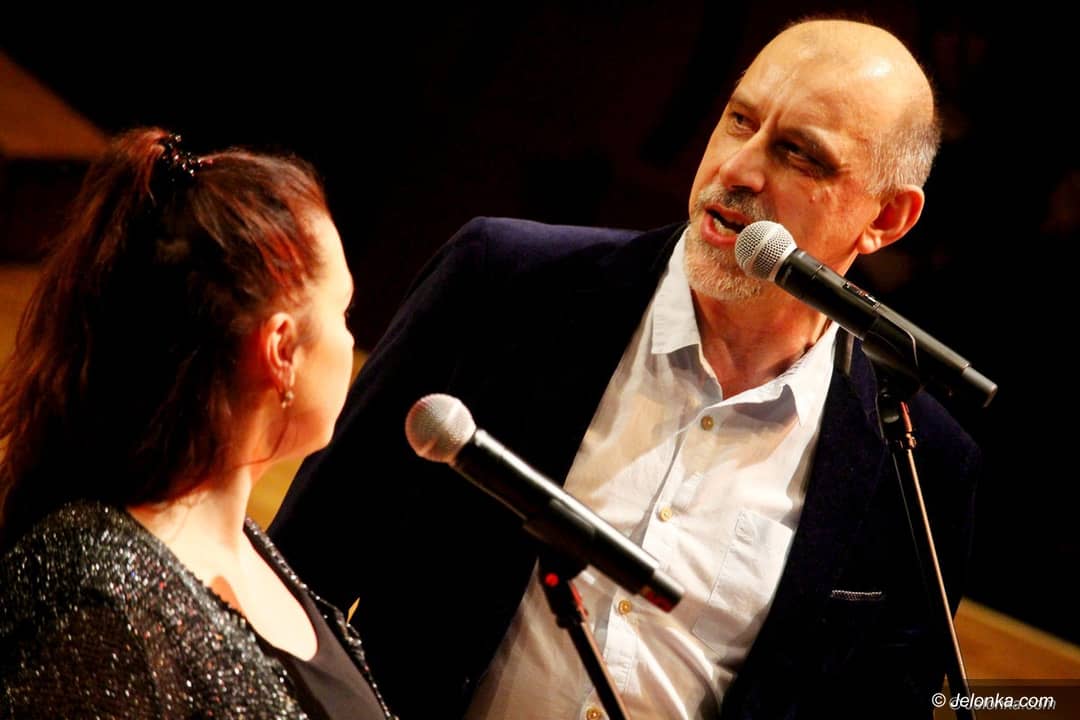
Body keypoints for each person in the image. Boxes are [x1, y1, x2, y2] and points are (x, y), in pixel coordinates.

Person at [269, 16, 981, 720]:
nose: (737, 169)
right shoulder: (502, 284)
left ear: (887, 218)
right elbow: (301, 570)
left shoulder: (922, 464)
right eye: (739, 120)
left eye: (799, 154)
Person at [0, 128, 397, 719]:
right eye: (343, 312)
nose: (349, 341)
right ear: (280, 349)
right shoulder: (100, 606)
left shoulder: (246, 547)